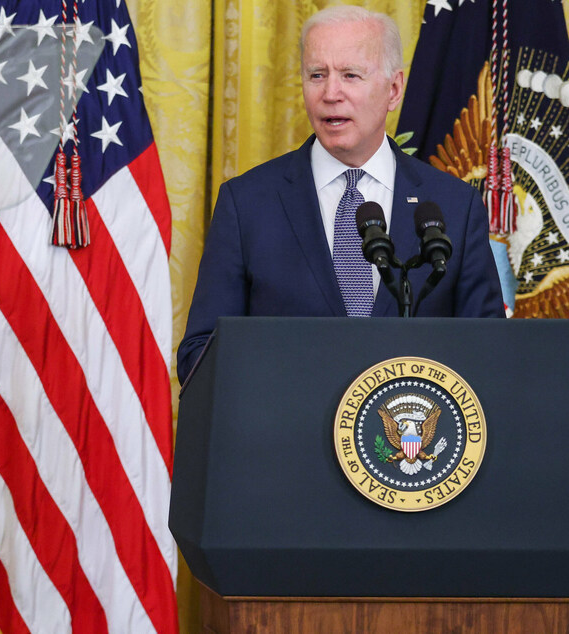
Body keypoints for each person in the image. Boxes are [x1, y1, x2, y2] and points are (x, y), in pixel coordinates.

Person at [177, 6, 504, 384]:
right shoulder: (247, 204)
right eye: (317, 75)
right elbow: (198, 356)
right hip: (286, 437)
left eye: (350, 75)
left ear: (394, 89)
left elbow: (490, 354)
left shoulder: (454, 206)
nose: (331, 93)